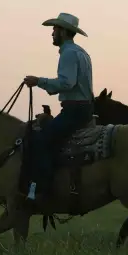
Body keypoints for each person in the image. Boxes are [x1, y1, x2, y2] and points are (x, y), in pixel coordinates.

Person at [23, 12, 94, 201]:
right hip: (83, 108)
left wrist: (39, 81)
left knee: (40, 140)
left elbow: (67, 83)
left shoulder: (69, 54)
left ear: (63, 32)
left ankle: (43, 191)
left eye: (55, 29)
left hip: (74, 111)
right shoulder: (81, 53)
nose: (52, 33)